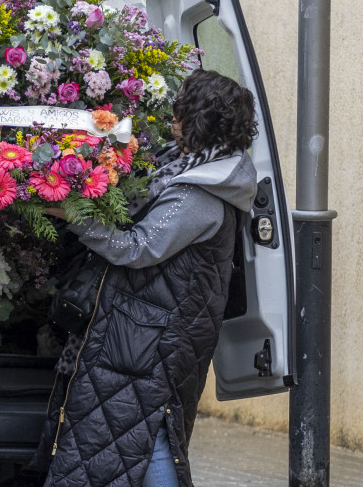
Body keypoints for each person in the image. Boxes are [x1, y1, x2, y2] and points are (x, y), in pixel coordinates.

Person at [41, 69, 259, 487]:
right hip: (149, 331)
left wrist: (76, 217)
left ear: (199, 123)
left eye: (180, 113)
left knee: (148, 431)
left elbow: (137, 248)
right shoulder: (197, 168)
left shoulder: (199, 193)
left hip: (154, 340)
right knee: (135, 432)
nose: (173, 121)